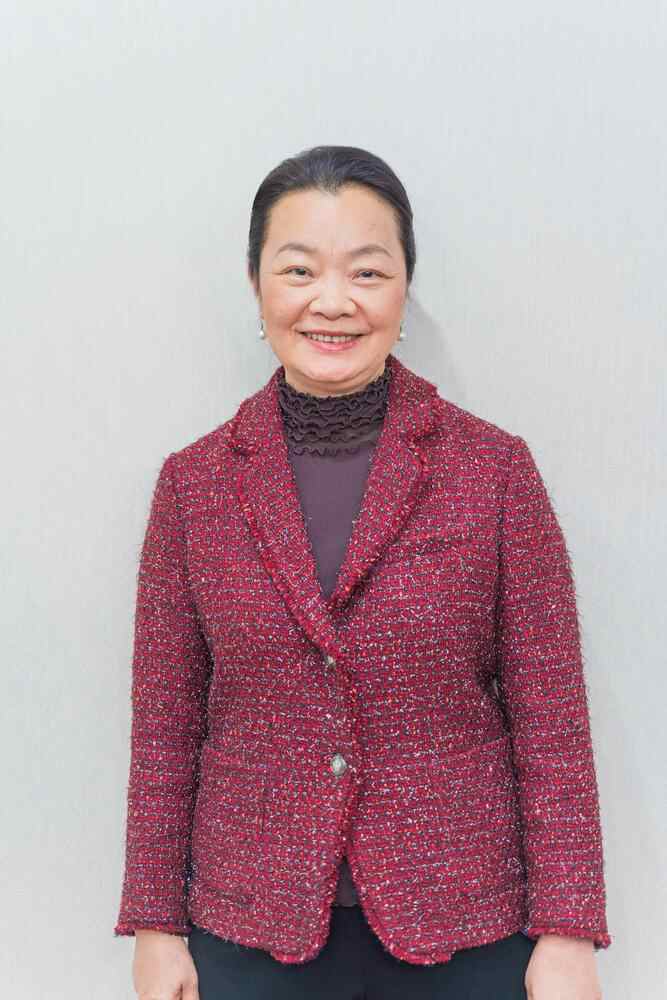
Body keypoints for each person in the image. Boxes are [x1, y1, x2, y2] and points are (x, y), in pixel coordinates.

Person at [114, 145, 611, 999]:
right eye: (299, 269)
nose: (332, 301)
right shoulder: (193, 486)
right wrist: (156, 925)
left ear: (404, 288)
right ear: (256, 285)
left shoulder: (493, 471)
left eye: (367, 272)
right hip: (249, 924)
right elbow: (165, 727)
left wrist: (566, 931)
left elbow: (551, 719)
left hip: (463, 923)